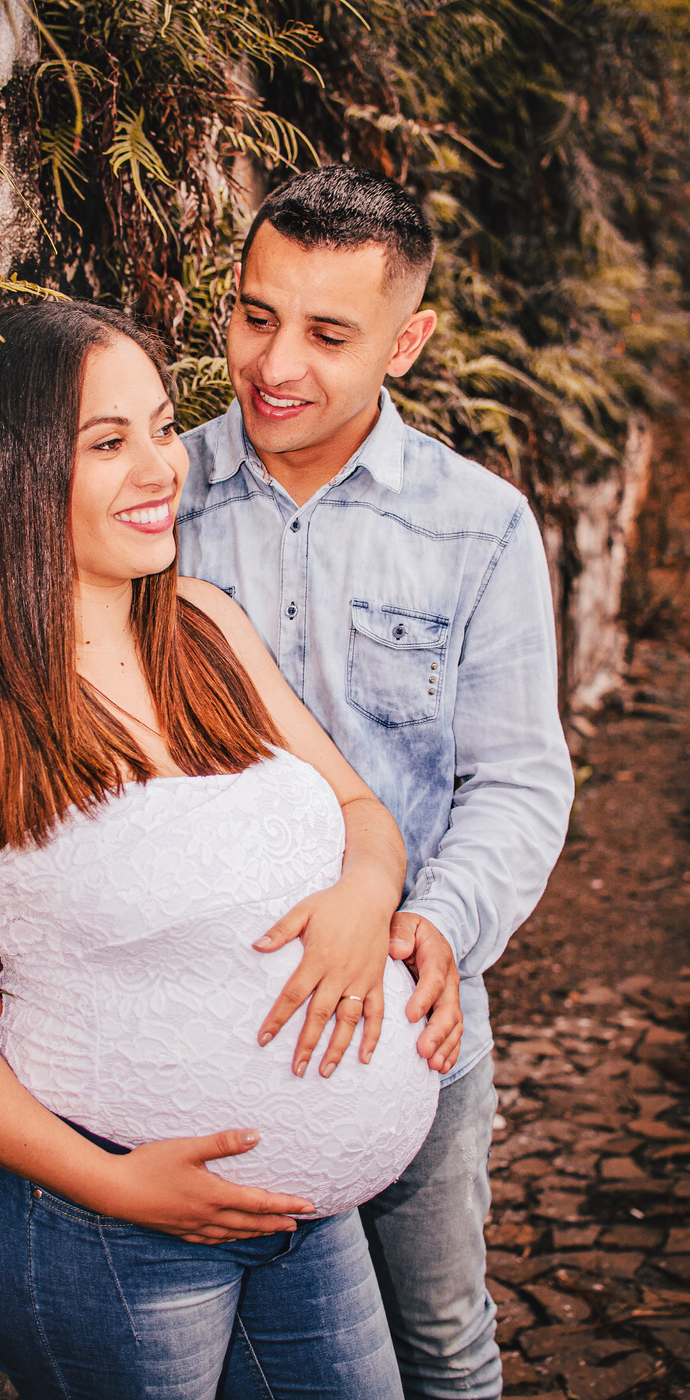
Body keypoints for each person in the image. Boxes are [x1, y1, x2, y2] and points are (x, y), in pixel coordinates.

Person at [0, 300, 460, 1400]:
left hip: (303, 1213)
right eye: (107, 442)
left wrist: (367, 897)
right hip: (101, 1225)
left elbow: (359, 809)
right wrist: (120, 1186)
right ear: (11, 473)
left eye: (163, 426)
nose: (161, 467)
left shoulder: (205, 628)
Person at [172, 165, 576, 1399]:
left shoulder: (480, 524)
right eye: (255, 315)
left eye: (329, 334)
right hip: (203, 1028)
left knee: (441, 1338)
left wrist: (435, 924)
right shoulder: (151, 499)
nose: (274, 363)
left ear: (408, 341)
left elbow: (518, 778)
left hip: (415, 1026)